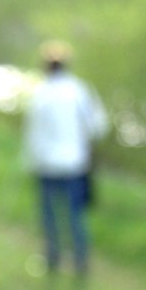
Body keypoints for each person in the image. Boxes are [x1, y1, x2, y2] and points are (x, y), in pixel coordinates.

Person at [23, 40, 108, 274]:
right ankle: (81, 260)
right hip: (74, 164)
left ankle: (53, 257)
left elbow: (33, 134)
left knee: (50, 214)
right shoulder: (80, 91)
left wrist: (30, 161)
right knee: (74, 215)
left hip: (48, 164)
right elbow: (98, 126)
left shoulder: (42, 93)